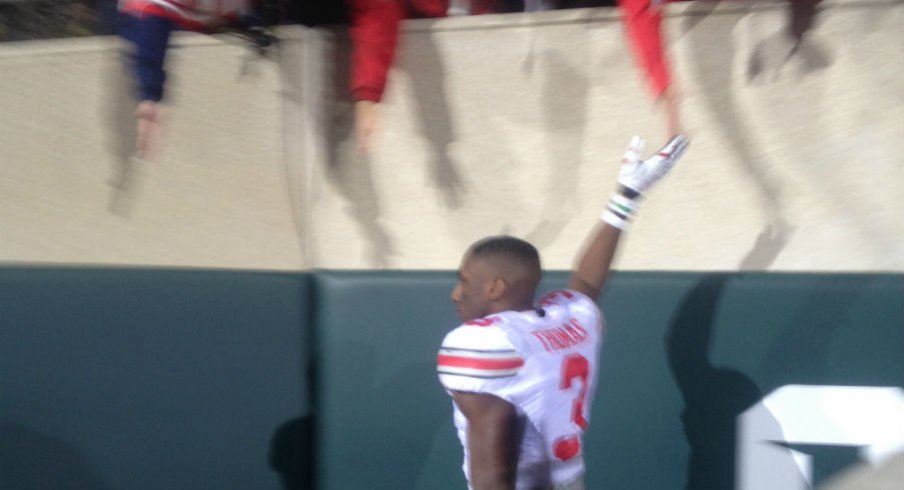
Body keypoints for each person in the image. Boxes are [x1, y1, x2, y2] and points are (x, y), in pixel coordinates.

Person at [437, 133, 689, 490]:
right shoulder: (572, 320)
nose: (456, 294)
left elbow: (494, 461)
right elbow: (586, 283)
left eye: (464, 281)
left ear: (495, 287)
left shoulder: (484, 342)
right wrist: (626, 198)